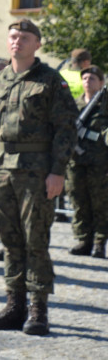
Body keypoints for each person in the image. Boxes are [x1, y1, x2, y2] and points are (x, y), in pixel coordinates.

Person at [0, 19, 77, 336]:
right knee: (10, 241)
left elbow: (66, 128)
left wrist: (58, 170)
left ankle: (38, 309)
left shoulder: (50, 81)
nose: (17, 41)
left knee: (35, 240)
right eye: (13, 36)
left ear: (37, 44)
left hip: (36, 171)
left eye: (25, 37)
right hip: (1, 169)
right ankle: (14, 304)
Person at [65, 65, 108, 258]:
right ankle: (84, 240)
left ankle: (99, 242)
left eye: (92, 79)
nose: (87, 82)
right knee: (79, 201)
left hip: (99, 163)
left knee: (100, 202)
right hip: (76, 161)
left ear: (101, 82)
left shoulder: (105, 106)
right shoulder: (74, 105)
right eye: (85, 78)